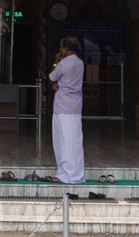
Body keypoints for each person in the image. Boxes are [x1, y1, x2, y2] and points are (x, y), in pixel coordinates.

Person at [46, 36, 84, 184]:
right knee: (75, 141)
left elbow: (51, 77)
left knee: (62, 141)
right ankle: (76, 173)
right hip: (75, 107)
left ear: (65, 49)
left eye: (62, 47)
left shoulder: (63, 63)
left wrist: (56, 61)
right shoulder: (80, 63)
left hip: (63, 107)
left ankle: (66, 174)